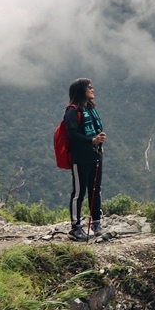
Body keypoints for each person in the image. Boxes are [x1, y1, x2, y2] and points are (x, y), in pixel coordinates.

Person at [64, 78, 107, 241]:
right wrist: (92, 141)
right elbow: (72, 134)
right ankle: (75, 227)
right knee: (79, 193)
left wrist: (99, 139)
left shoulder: (89, 109)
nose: (92, 89)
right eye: (89, 87)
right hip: (80, 158)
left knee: (96, 190)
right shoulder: (72, 111)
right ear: (81, 90)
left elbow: (95, 129)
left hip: (95, 155)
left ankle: (96, 223)